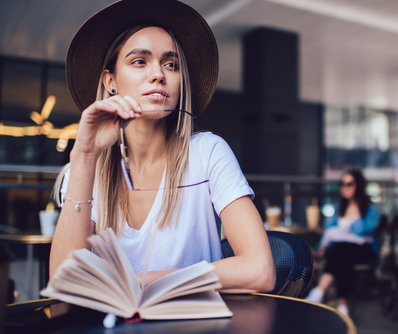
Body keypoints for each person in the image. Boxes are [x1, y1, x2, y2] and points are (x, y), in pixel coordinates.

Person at [49, 0, 275, 294]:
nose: (159, 74)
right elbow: (63, 285)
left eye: (171, 64)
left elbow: (259, 271)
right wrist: (84, 157)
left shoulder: (207, 153)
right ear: (110, 81)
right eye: (139, 61)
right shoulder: (83, 172)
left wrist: (142, 281)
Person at [305, 168, 380, 316]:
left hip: (365, 251)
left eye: (349, 184)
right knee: (342, 254)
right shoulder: (339, 207)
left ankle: (318, 292)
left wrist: (355, 210)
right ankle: (342, 305)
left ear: (359, 185)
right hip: (343, 252)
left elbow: (362, 231)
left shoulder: (372, 209)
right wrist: (323, 248)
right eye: (342, 184)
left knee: (341, 250)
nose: (344, 188)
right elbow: (329, 230)